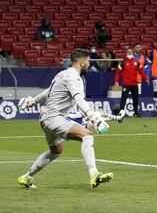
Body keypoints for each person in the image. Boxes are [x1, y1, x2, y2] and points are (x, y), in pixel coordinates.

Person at [17, 48, 113, 189]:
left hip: (45, 118)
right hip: (54, 118)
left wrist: (33, 101)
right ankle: (94, 174)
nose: (88, 64)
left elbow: (48, 92)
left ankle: (27, 177)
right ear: (81, 63)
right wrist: (92, 116)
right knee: (87, 135)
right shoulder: (74, 78)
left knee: (56, 151)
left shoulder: (62, 74)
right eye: (87, 61)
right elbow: (78, 98)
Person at [113, 48, 149, 118]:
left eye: (131, 53)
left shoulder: (136, 62)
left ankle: (136, 113)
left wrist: (146, 79)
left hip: (134, 84)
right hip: (126, 84)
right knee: (123, 99)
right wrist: (116, 81)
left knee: (135, 99)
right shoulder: (123, 63)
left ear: (133, 54)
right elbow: (117, 72)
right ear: (126, 54)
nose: (130, 55)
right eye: (128, 53)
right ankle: (121, 113)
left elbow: (141, 71)